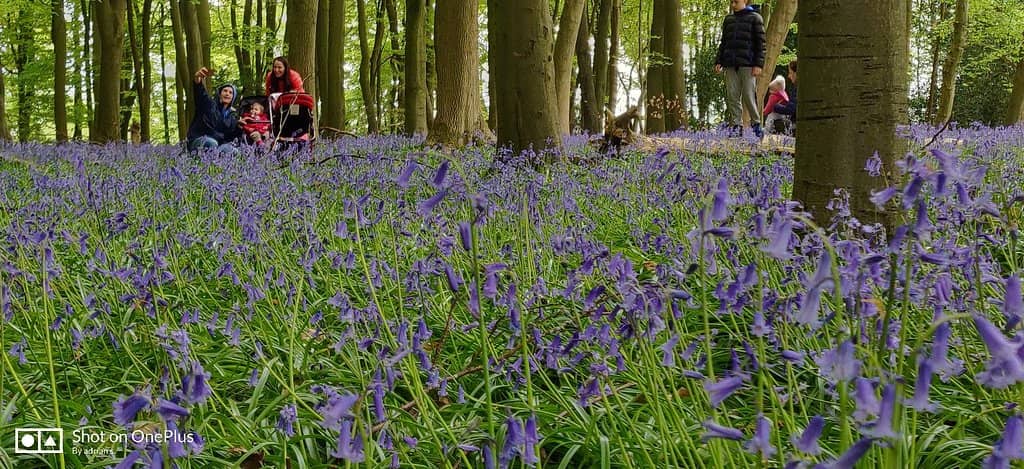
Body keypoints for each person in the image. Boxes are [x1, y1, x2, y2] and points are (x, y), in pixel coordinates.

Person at [714, 0, 766, 138]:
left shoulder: (755, 18)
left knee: (749, 96)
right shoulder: (728, 20)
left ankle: (756, 124)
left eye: (735, 2)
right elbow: (724, 42)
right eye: (731, 2)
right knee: (732, 96)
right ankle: (737, 127)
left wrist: (758, 65)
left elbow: (761, 44)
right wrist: (719, 61)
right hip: (730, 63)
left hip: (748, 64)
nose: (733, 5)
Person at [187, 67, 242, 153]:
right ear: (220, 94)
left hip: (219, 144)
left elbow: (230, 137)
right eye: (225, 91)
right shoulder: (209, 104)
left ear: (233, 98)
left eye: (230, 93)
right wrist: (198, 80)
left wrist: (239, 127)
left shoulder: (232, 116)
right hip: (199, 139)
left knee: (233, 151)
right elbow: (201, 94)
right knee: (211, 143)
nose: (227, 94)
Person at [772, 59, 798, 131]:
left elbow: (790, 110)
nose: (789, 76)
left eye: (790, 73)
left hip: (797, 125)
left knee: (773, 122)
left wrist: (775, 106)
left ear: (796, 73)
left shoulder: (798, 89)